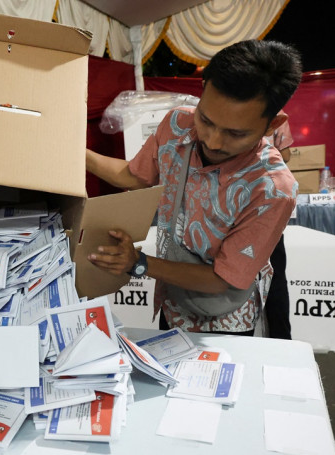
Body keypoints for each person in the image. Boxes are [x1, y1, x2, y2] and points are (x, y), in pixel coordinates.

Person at [86, 40, 302, 335]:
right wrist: (76, 155)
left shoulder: (272, 188)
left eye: (235, 134)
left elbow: (221, 279)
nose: (212, 141)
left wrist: (140, 263)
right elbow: (133, 175)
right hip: (173, 300)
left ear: (271, 125)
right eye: (206, 120)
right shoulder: (176, 124)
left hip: (224, 317)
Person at [264, 117, 294, 339]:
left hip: (261, 202)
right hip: (266, 201)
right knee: (274, 277)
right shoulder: (273, 105)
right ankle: (281, 341)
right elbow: (285, 155)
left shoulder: (220, 104)